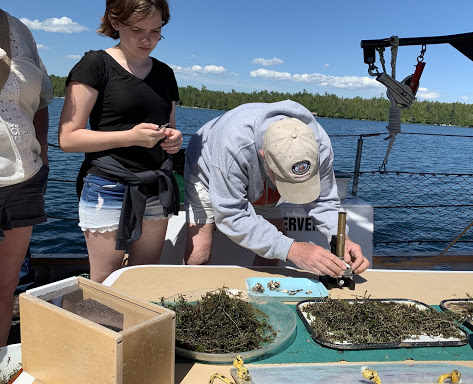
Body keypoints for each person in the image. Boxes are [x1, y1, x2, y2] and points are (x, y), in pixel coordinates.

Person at [58, 0, 182, 283]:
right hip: (107, 185)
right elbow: (67, 138)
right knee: (105, 281)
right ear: (115, 22)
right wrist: (130, 137)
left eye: (156, 30)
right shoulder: (94, 65)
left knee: (142, 277)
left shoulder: (165, 74)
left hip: (155, 186)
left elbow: (170, 127)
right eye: (137, 29)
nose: (148, 39)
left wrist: (173, 139)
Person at [184, 100, 370, 278]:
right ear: (264, 157)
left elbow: (324, 200)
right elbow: (230, 214)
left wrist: (341, 238)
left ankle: (263, 299)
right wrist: (293, 250)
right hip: (208, 167)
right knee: (199, 252)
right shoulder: (233, 146)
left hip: (256, 171)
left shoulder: (319, 145)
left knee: (274, 249)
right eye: (286, 183)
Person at [0, 8, 53, 346]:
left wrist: (43, 156)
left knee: (5, 289)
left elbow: (42, 99)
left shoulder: (19, 30)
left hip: (23, 177)